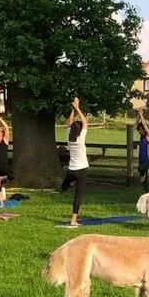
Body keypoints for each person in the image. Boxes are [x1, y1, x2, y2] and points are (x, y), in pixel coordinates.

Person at [60, 97, 88, 227]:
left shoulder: (68, 138)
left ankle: (67, 184)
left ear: (71, 129)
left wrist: (73, 109)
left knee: (63, 186)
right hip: (81, 170)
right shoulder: (80, 138)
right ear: (79, 130)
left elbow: (69, 122)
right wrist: (77, 108)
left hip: (71, 170)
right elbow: (85, 121)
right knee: (79, 195)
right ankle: (73, 219)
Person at [135, 109, 149, 191]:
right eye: (139, 130)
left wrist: (141, 114)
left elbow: (145, 125)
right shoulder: (141, 137)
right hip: (141, 160)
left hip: (148, 160)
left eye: (141, 129)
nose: (139, 131)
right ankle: (147, 192)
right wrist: (139, 116)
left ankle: (143, 173)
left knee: (140, 168)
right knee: (143, 181)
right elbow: (136, 125)